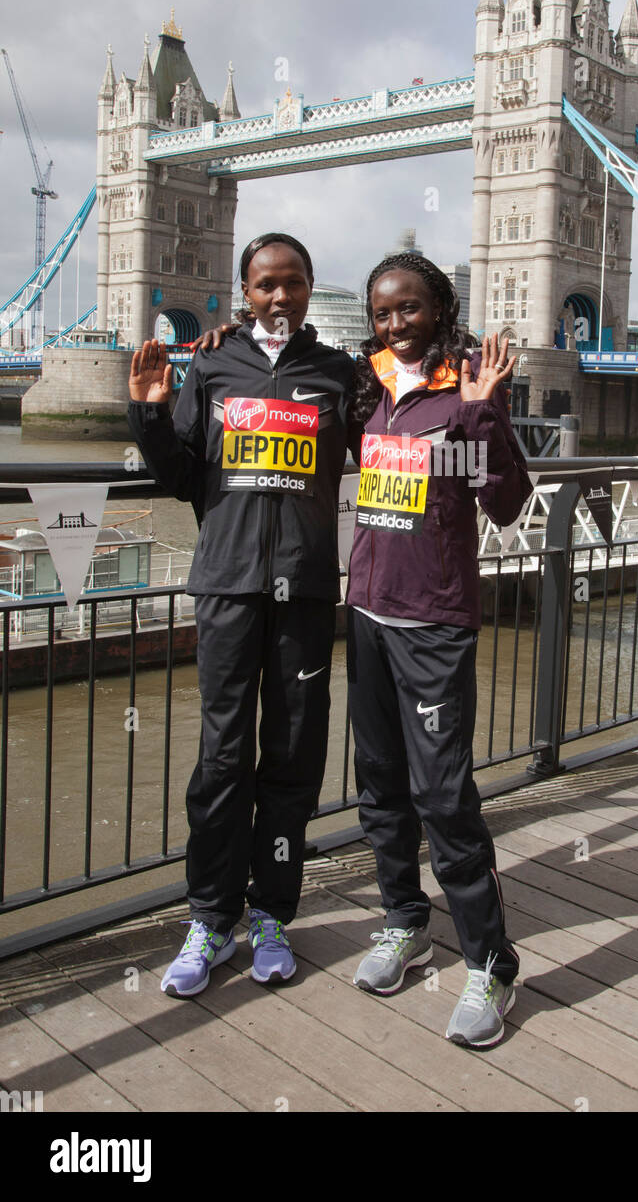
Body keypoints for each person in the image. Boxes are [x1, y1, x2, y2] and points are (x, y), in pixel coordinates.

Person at [128, 233, 355, 996]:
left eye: (293, 283)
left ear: (310, 287)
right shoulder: (214, 365)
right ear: (244, 293)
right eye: (265, 285)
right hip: (226, 585)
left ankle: (272, 915)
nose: (280, 296)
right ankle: (211, 915)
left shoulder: (337, 375)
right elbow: (182, 475)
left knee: (291, 759)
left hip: (306, 589)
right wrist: (150, 415)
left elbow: (394, 445)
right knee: (221, 759)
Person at [345, 251, 532, 1047]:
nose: (396, 323)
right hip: (367, 615)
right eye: (384, 312)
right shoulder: (370, 390)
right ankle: (404, 923)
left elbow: (509, 501)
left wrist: (486, 409)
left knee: (444, 797)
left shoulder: (466, 390)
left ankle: (490, 963)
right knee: (380, 784)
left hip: (434, 622)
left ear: (440, 309)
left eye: (410, 308)